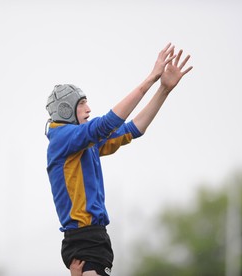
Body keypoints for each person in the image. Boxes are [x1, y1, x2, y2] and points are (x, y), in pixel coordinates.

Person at [45, 43, 193, 276]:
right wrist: (151, 78)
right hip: (84, 239)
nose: (88, 108)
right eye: (82, 103)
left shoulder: (84, 143)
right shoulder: (63, 138)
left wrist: (163, 89)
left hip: (95, 237)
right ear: (65, 110)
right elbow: (106, 123)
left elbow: (134, 128)